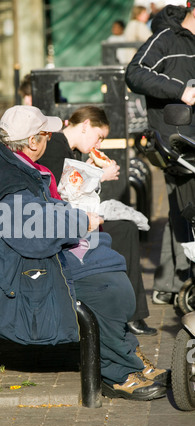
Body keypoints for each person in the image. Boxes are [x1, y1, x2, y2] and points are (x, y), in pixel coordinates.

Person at [0, 104, 168, 400]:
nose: (50, 139)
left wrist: (75, 220)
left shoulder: (6, 162)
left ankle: (125, 354)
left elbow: (37, 215)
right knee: (106, 287)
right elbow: (32, 232)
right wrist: (80, 221)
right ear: (33, 141)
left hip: (3, 259)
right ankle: (117, 372)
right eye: (46, 135)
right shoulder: (7, 178)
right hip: (2, 276)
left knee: (105, 259)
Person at [39, 105, 157, 336]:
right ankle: (132, 314)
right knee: (125, 230)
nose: (99, 145)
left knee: (125, 228)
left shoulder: (69, 149)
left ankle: (131, 312)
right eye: (99, 136)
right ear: (85, 126)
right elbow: (61, 191)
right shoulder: (56, 146)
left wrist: (91, 171)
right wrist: (99, 176)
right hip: (60, 224)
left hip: (69, 219)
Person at [125, 1, 195, 305]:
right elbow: (134, 73)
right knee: (184, 208)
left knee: (181, 209)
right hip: (177, 143)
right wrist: (180, 91)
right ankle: (181, 283)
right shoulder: (166, 37)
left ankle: (169, 284)